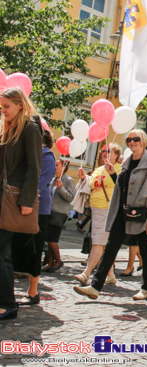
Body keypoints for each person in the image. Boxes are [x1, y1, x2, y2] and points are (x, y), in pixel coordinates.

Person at [74, 130, 147, 300]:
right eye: (129, 139)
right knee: (111, 247)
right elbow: (123, 187)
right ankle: (95, 287)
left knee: (145, 250)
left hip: (142, 213)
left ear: (143, 141)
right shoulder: (127, 162)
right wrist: (113, 174)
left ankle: (146, 289)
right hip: (122, 212)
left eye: (136, 139)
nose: (132, 142)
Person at [0, 87, 43, 321]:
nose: (3, 110)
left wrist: (27, 200)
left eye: (7, 106)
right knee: (3, 252)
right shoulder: (7, 128)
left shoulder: (30, 129)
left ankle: (8, 304)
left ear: (19, 104)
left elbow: (34, 168)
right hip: (2, 197)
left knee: (2, 252)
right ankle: (6, 302)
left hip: (14, 199)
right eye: (2, 106)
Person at [12, 129, 55, 306]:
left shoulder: (47, 157)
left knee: (35, 249)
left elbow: (38, 182)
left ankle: (33, 292)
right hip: (21, 205)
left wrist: (21, 196)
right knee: (17, 247)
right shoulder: (29, 154)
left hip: (38, 209)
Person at [73, 143, 122, 285]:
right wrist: (83, 179)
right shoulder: (98, 170)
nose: (105, 153)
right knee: (102, 243)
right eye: (103, 151)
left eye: (109, 151)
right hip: (95, 210)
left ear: (116, 155)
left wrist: (113, 173)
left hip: (108, 210)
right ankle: (110, 275)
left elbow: (123, 186)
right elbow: (91, 186)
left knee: (98, 243)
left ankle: (86, 273)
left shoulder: (120, 169)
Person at [43, 159, 76, 272]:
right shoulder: (53, 179)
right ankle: (50, 263)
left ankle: (58, 261)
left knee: (52, 239)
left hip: (60, 213)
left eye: (57, 165)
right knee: (49, 238)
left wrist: (61, 188)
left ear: (63, 167)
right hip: (50, 211)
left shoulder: (68, 180)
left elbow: (70, 197)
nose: (55, 166)